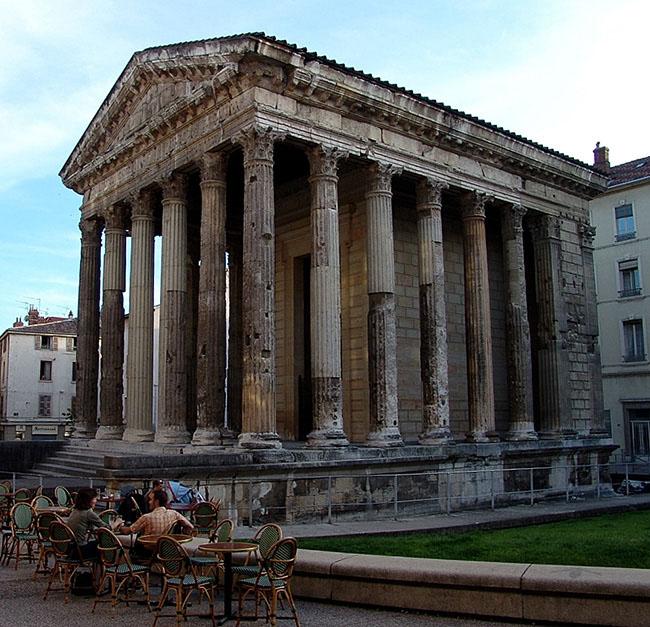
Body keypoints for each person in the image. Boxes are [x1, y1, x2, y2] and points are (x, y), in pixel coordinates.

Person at [119, 490, 194, 559]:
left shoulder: (147, 517)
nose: (149, 502)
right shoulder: (174, 514)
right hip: (167, 550)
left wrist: (120, 526)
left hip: (147, 553)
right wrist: (181, 533)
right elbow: (190, 527)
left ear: (156, 501)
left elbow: (127, 531)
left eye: (151, 499)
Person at [66, 487, 109, 560]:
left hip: (70, 549)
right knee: (105, 544)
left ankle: (97, 570)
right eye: (95, 498)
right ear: (89, 501)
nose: (96, 501)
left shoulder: (75, 510)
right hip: (80, 551)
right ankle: (106, 569)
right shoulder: (88, 513)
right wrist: (116, 524)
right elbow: (107, 528)